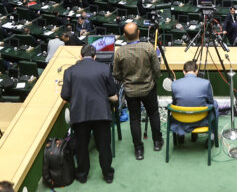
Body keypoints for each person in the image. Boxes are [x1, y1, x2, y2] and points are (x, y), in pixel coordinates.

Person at [61, 44, 119, 183]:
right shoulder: (104, 69)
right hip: (101, 114)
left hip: (79, 114)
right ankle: (108, 175)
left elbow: (65, 95)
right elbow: (112, 93)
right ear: (95, 57)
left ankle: (82, 175)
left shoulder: (69, 71)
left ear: (80, 56)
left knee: (81, 146)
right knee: (104, 146)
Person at [111, 22, 162, 160]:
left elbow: (116, 74)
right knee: (154, 114)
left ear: (124, 35)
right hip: (149, 88)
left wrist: (126, 80)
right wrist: (154, 78)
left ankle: (138, 150)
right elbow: (157, 69)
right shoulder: (148, 47)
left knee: (134, 119)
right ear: (138, 32)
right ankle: (157, 142)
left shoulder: (120, 52)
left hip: (130, 91)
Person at [169, 60, 216, 144]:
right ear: (197, 71)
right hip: (200, 119)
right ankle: (212, 136)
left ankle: (180, 134)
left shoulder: (174, 84)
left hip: (181, 120)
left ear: (183, 72)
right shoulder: (206, 83)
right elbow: (211, 101)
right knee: (215, 104)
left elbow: (174, 102)